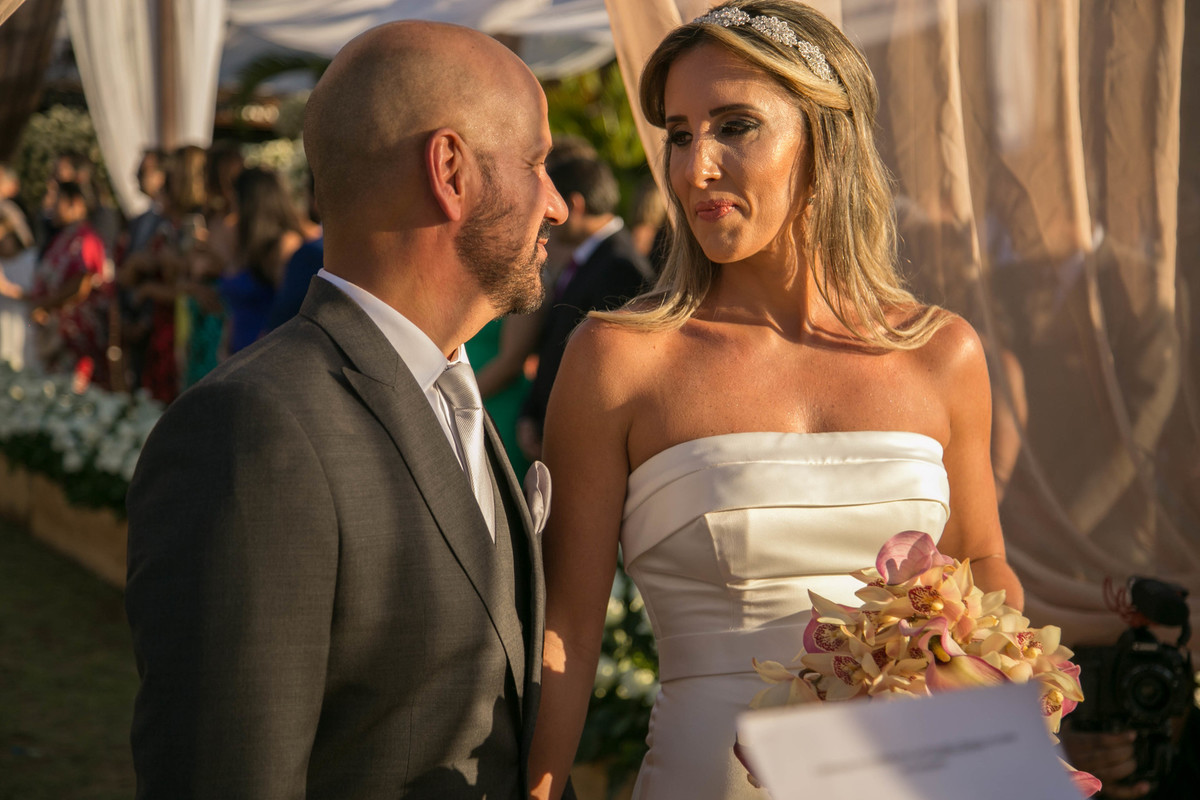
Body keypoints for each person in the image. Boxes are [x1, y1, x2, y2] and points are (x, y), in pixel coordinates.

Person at [528, 3, 1024, 799]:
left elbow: (983, 560)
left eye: (734, 127)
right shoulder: (619, 360)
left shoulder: (942, 353)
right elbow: (567, 632)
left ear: (824, 139)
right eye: (681, 135)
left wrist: (974, 666)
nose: (695, 170)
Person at [125, 19, 567, 799]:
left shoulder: (456, 398)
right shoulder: (254, 433)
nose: (558, 205)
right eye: (535, 163)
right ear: (451, 170)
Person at [517, 154, 653, 461]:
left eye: (552, 198)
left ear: (575, 205)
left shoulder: (621, 267)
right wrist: (532, 414)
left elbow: (606, 371)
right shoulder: (594, 258)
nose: (547, 213)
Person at [23, 180, 111, 387]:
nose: (51, 206)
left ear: (76, 203)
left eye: (57, 200)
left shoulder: (86, 240)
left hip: (77, 342)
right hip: (56, 340)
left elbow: (82, 284)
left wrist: (45, 304)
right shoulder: (63, 238)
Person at [217, 166, 306, 353]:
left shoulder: (285, 246)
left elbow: (289, 311)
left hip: (265, 360)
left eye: (236, 205)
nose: (233, 216)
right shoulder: (247, 244)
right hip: (237, 358)